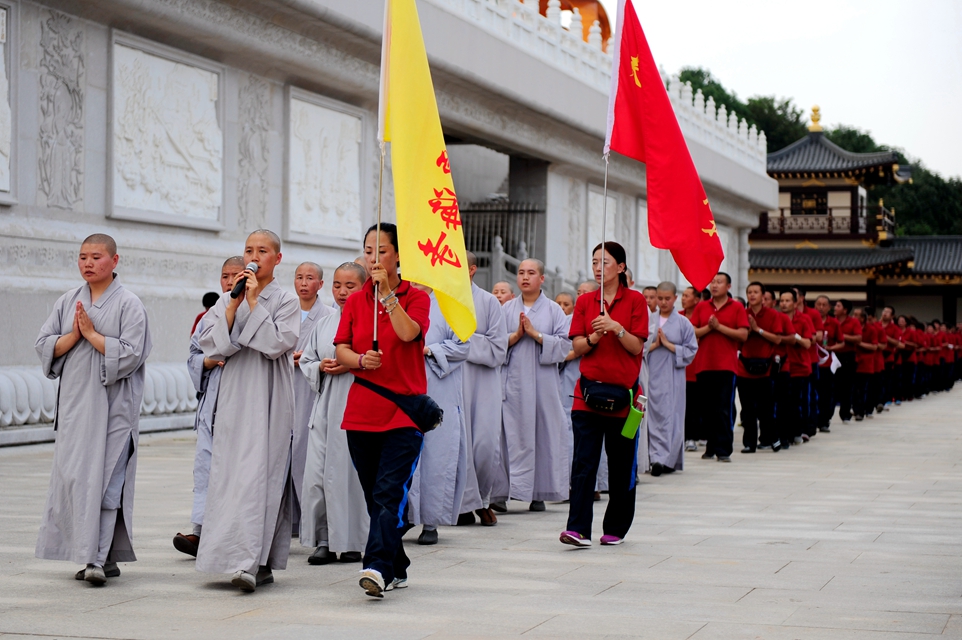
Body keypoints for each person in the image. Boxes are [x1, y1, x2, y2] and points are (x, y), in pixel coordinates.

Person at [35, 233, 152, 586]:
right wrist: (74, 335)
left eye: (97, 257)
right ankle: (93, 554)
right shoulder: (68, 300)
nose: (88, 263)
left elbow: (133, 353)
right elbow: (43, 344)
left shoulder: (130, 304)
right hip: (74, 409)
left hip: (113, 409)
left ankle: (95, 560)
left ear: (114, 262)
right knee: (74, 482)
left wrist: (93, 336)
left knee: (105, 484)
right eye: (83, 256)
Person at [196, 230, 299, 592]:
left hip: (269, 395)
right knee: (230, 475)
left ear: (277, 258)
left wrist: (255, 302)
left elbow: (276, 344)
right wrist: (233, 306)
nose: (254, 257)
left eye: (263, 251)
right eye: (249, 250)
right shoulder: (228, 298)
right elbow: (212, 345)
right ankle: (228, 556)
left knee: (262, 476)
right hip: (235, 396)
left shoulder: (285, 300)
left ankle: (255, 561)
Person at [334, 222, 431, 598]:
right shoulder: (357, 300)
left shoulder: (415, 297)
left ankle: (375, 566)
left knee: (389, 494)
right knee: (376, 496)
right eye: (369, 250)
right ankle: (398, 564)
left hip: (404, 413)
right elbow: (341, 348)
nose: (374, 258)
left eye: (383, 251)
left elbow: (409, 334)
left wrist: (389, 296)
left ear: (398, 256)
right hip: (361, 411)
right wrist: (359, 359)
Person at [561, 242, 648, 547]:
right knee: (584, 464)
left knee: (622, 465)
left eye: (605, 262)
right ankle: (577, 528)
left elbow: (637, 347)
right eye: (595, 262)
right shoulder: (586, 301)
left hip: (626, 400)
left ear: (621, 268)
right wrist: (596, 334)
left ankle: (616, 528)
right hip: (587, 395)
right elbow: (578, 347)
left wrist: (616, 327)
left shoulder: (636, 301)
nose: (598, 268)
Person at [173, 256, 245, 558]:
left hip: (241, 401)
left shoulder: (256, 311)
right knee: (205, 469)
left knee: (237, 472)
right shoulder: (210, 315)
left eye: (234, 276)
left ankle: (234, 535)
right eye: (224, 276)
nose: (229, 282)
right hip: (211, 402)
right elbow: (193, 354)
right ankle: (200, 531)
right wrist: (205, 361)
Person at [298, 262, 369, 565]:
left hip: (357, 405)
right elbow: (308, 358)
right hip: (326, 406)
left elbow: (381, 360)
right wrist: (320, 367)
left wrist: (352, 362)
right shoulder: (325, 323)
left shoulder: (373, 324)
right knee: (317, 474)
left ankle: (352, 540)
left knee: (350, 475)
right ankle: (323, 539)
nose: (342, 292)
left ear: (365, 287)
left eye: (350, 286)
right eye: (338, 285)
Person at [501, 259, 572, 511]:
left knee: (543, 434)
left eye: (531, 273)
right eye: (521, 273)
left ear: (542, 278)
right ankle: (505, 491)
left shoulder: (554, 310)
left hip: (543, 383)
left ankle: (538, 491)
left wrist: (536, 335)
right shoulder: (507, 308)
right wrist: (516, 336)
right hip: (514, 382)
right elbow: (495, 343)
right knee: (510, 433)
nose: (525, 277)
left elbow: (566, 346)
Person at [408, 285, 470, 545]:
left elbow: (464, 346)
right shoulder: (399, 300)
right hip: (405, 383)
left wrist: (432, 350)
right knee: (402, 450)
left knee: (436, 452)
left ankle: (431, 521)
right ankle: (402, 518)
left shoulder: (448, 305)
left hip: (437, 385)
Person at [458, 252, 509, 526]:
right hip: (451, 380)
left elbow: (498, 349)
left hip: (483, 383)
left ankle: (483, 499)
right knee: (456, 444)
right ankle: (462, 505)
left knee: (484, 444)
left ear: (472, 270)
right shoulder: (439, 301)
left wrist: (461, 341)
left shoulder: (489, 302)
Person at [291, 262, 333, 534]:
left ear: (320, 284)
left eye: (310, 278)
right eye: (299, 277)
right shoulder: (285, 312)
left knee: (306, 456)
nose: (303, 283)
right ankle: (290, 519)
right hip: (285, 387)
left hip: (313, 389)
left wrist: (308, 357)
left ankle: (312, 521)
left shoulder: (328, 316)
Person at [690, 273, 749, 462]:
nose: (714, 285)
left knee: (723, 408)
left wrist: (719, 326)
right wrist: (709, 328)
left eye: (719, 282)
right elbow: (693, 332)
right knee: (707, 409)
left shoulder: (737, 307)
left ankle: (724, 450)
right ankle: (710, 446)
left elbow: (743, 335)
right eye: (712, 282)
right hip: (704, 364)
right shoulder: (701, 307)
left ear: (728, 286)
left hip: (726, 366)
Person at [645, 282, 697, 475]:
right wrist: (656, 345)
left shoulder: (683, 323)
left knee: (672, 415)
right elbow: (638, 347)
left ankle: (667, 459)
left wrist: (669, 345)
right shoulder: (649, 320)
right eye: (660, 298)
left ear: (675, 298)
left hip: (673, 376)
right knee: (652, 415)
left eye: (667, 298)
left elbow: (692, 350)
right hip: (651, 374)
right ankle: (654, 457)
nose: (663, 302)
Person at [736, 282, 782, 453]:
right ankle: (749, 443)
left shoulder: (772, 315)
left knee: (766, 408)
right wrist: (748, 331)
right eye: (749, 292)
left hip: (765, 367)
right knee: (747, 409)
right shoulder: (742, 313)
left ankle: (772, 438)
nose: (752, 295)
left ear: (763, 296)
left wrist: (757, 329)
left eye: (755, 292)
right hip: (744, 366)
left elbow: (777, 339)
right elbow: (738, 339)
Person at [780, 290, 814, 446]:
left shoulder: (804, 319)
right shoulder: (777, 318)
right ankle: (784, 434)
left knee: (796, 402)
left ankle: (797, 432)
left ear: (795, 303)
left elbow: (808, 343)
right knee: (782, 403)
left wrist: (794, 336)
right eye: (782, 301)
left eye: (787, 301)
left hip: (799, 366)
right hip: (780, 366)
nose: (784, 304)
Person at [828, 299, 861, 422]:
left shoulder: (853, 322)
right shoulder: (831, 321)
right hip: (833, 355)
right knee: (832, 386)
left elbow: (858, 338)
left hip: (848, 356)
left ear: (845, 310)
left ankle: (845, 413)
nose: (835, 308)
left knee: (847, 387)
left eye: (838, 306)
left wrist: (841, 335)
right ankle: (828, 415)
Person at [680, 286, 701, 453]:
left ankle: (692, 437)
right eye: (682, 295)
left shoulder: (701, 317)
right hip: (679, 368)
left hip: (696, 368)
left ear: (696, 299)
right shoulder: (677, 316)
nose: (683, 298)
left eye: (687, 296)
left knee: (693, 406)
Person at [814, 295, 839, 432]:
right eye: (819, 304)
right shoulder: (810, 320)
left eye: (824, 305)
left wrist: (831, 348)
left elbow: (841, 342)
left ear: (829, 308)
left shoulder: (834, 323)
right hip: (813, 362)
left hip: (827, 364)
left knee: (826, 393)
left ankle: (824, 421)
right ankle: (814, 419)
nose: (821, 307)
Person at [851, 308, 879, 421]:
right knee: (853, 388)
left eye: (857, 315)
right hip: (852, 361)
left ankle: (861, 411)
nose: (854, 316)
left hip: (866, 363)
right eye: (853, 314)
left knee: (862, 389)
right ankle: (856, 409)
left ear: (863, 318)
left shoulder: (871, 329)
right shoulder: (851, 328)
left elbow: (874, 346)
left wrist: (859, 343)